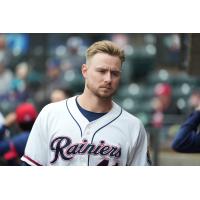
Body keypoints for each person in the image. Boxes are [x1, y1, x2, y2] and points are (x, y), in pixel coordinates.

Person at [21, 40, 151, 166]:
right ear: (85, 71)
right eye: (102, 71)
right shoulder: (50, 114)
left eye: (115, 73)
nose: (108, 79)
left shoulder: (133, 127)